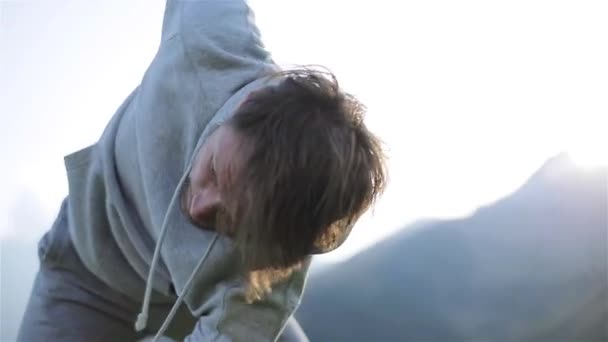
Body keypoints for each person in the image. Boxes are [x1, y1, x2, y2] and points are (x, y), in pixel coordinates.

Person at [17, 0, 387, 341]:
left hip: (190, 308)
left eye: (230, 221)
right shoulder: (211, 44)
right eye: (215, 170)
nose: (197, 208)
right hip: (84, 279)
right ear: (247, 102)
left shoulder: (262, 284)